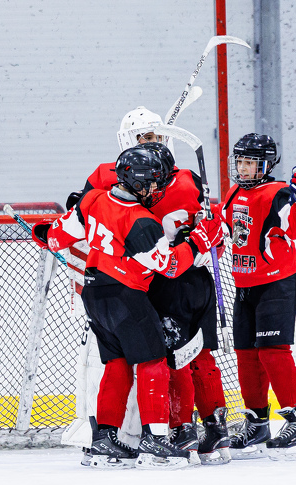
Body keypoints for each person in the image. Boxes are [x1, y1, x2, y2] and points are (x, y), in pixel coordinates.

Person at [33, 143, 223, 470]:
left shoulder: (92, 200)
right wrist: (199, 241)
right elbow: (170, 266)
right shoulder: (142, 222)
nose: (158, 189)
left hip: (95, 295)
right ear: (137, 181)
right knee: (154, 361)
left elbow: (54, 236)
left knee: (117, 364)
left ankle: (103, 441)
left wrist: (41, 232)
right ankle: (155, 441)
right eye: (153, 182)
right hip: (126, 296)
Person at [71, 106, 232, 465]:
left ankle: (177, 431)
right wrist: (205, 241)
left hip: (156, 280)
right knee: (192, 355)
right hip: (187, 276)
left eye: (156, 137)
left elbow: (81, 216)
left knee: (169, 358)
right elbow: (215, 233)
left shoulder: (112, 177)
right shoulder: (188, 178)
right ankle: (211, 430)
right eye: (146, 138)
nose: (153, 143)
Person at [217, 133, 296, 461]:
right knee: (246, 355)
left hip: (278, 283)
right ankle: (257, 423)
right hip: (245, 284)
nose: (243, 168)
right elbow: (223, 231)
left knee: (273, 353)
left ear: (265, 164)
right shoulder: (234, 193)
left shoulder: (278, 194)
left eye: (250, 162)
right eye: (240, 161)